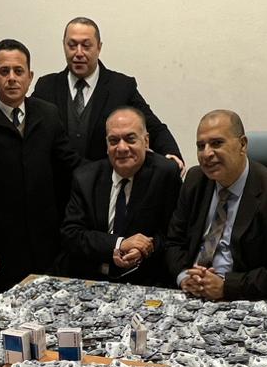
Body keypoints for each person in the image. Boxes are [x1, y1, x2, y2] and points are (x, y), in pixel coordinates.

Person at [0, 39, 79, 293]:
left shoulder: (48, 114)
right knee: (10, 310)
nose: (11, 78)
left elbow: (70, 165)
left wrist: (112, 169)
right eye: (4, 71)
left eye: (18, 71)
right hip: (2, 247)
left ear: (30, 76)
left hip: (49, 242)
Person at [163, 110, 267, 301]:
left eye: (216, 143)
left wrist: (226, 287)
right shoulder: (195, 180)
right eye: (201, 146)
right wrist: (184, 277)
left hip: (243, 299)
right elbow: (173, 242)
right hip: (191, 293)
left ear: (242, 145)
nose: (207, 153)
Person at [25, 17, 183, 170]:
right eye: (72, 45)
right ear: (63, 46)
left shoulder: (121, 87)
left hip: (104, 182)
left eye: (86, 46)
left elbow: (152, 126)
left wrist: (171, 154)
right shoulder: (46, 87)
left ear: (99, 47)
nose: (79, 53)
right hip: (56, 184)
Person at [60, 106, 181, 286]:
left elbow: (174, 235)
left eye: (130, 139)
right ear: (106, 145)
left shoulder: (165, 174)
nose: (122, 148)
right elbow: (72, 234)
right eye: (114, 140)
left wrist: (146, 248)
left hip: (146, 282)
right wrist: (118, 244)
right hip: (92, 279)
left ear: (146, 141)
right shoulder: (86, 178)